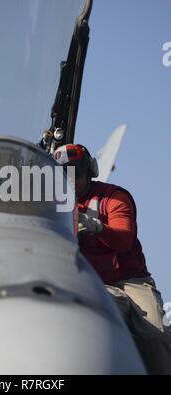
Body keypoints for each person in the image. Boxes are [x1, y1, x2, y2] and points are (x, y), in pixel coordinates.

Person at [54, 143, 171, 375]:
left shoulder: (114, 197)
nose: (70, 181)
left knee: (155, 334)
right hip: (93, 283)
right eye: (64, 175)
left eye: (75, 173)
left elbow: (125, 240)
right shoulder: (52, 206)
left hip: (132, 281)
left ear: (89, 171)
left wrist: (97, 228)